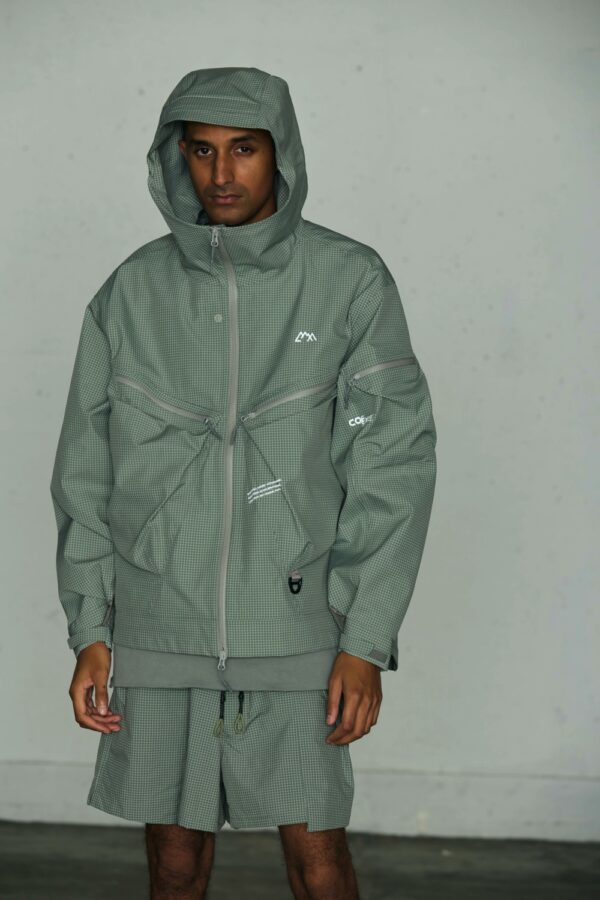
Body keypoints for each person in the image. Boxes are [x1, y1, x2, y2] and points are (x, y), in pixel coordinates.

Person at [50, 66, 437, 899]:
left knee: (318, 865)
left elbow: (393, 466)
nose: (221, 173)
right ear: (175, 157)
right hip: (160, 624)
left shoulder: (349, 280)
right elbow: (85, 471)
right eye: (201, 150)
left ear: (280, 153)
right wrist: (90, 628)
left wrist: (365, 640)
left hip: (297, 628)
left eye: (244, 149)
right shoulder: (131, 293)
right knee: (174, 867)